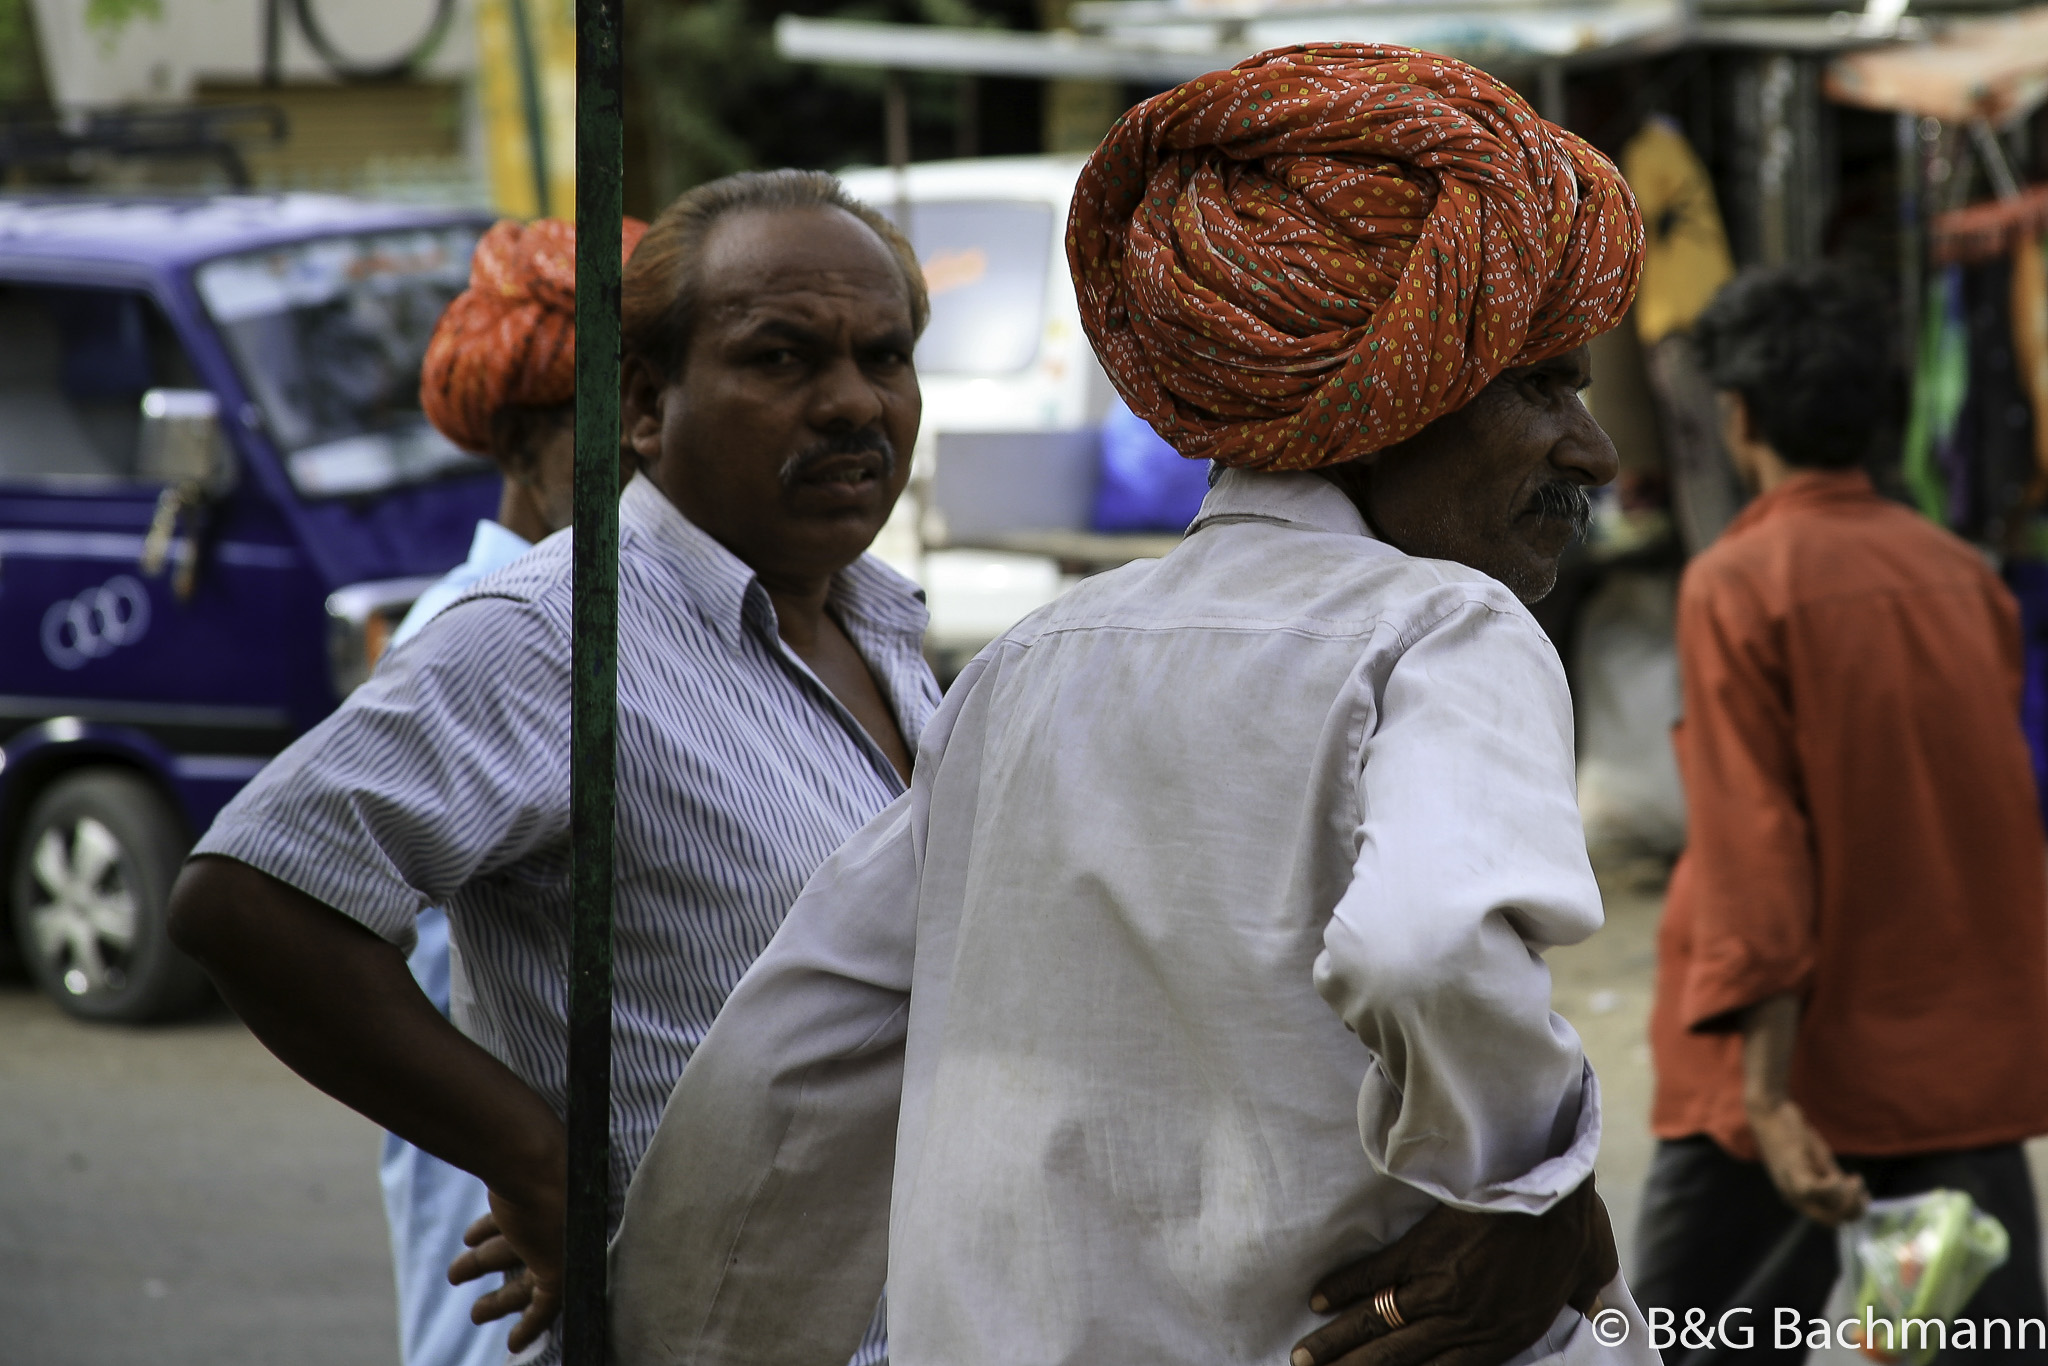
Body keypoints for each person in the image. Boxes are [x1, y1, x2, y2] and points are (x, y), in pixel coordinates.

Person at [611, 43, 1654, 1366]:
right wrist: (1521, 1194)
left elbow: (786, 1060)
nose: (1594, 450)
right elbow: (1424, 950)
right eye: (1543, 384)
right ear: (1393, 399)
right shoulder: (1443, 627)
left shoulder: (1021, 672)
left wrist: (682, 1336)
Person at [164, 169, 939, 1366]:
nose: (851, 403)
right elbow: (249, 897)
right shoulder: (552, 633)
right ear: (640, 403)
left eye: (882, 357)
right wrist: (535, 1159)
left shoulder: (878, 629)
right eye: (782, 358)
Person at [1632, 265, 2048, 1356]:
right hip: (1955, 1076)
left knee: (1698, 1341)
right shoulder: (1965, 577)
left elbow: (1752, 853)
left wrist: (1767, 1097)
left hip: (1787, 1092)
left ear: (1737, 418)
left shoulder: (1735, 581)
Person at [371, 213, 643, 1366]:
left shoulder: (625, 619)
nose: (649, 462)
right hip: (512, 1278)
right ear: (530, 447)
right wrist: (535, 1165)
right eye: (618, 435)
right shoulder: (481, 638)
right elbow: (265, 910)